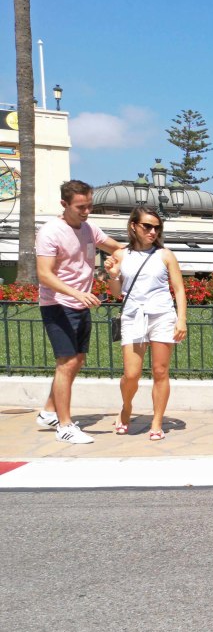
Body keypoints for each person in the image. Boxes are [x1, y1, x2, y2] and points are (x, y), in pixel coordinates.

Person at [34, 180, 122, 444]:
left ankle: (49, 412)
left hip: (82, 304)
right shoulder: (50, 232)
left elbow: (117, 247)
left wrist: (115, 260)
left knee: (78, 359)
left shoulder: (89, 228)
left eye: (89, 206)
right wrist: (76, 293)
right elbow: (44, 275)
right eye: (80, 207)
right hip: (57, 304)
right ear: (64, 204)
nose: (86, 211)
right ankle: (64, 426)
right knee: (67, 362)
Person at [104, 207, 187, 440]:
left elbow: (179, 290)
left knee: (160, 371)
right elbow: (117, 293)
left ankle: (157, 421)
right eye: (147, 226)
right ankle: (127, 407)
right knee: (131, 374)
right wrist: (112, 275)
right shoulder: (121, 255)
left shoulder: (165, 255)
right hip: (133, 316)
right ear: (133, 226)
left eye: (157, 227)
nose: (152, 231)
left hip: (162, 315)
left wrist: (181, 320)